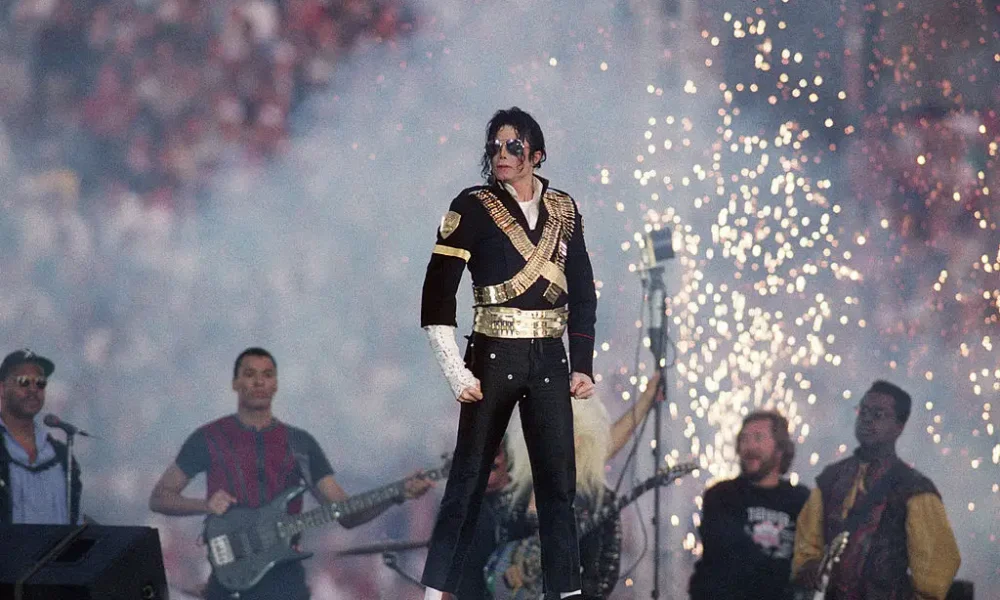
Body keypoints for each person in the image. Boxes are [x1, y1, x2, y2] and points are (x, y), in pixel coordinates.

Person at [420, 107, 598, 600]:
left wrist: (582, 364)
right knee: (469, 478)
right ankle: (436, 592)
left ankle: (565, 593)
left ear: (536, 155)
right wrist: (455, 370)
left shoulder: (565, 208)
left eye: (513, 146)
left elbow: (582, 289)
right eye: (495, 147)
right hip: (491, 355)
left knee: (558, 485)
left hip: (548, 357)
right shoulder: (472, 206)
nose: (501, 155)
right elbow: (437, 293)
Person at [149, 347, 433, 600]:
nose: (259, 382)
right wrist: (204, 505)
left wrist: (398, 493)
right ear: (236, 383)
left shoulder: (300, 445)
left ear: (275, 385)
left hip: (285, 585)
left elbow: (345, 513)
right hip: (229, 583)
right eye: (250, 374)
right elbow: (161, 497)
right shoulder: (208, 439)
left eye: (267, 375)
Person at [463, 373, 662, 600]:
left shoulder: (598, 502)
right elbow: (481, 569)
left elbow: (600, 580)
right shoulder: (512, 493)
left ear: (578, 438)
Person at [791, 380, 961, 600]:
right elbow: (807, 545)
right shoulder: (830, 479)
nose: (867, 419)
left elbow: (936, 571)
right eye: (864, 411)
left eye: (879, 414)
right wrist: (809, 565)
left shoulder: (915, 490)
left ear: (899, 426)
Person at [688, 410, 809, 600]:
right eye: (744, 439)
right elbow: (728, 559)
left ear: (780, 449)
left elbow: (809, 559)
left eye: (758, 438)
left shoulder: (801, 499)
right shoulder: (722, 495)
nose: (749, 446)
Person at [0, 349, 82, 525]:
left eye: (40, 383)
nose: (33, 389)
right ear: (2, 389)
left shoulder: (63, 457)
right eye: (24, 381)